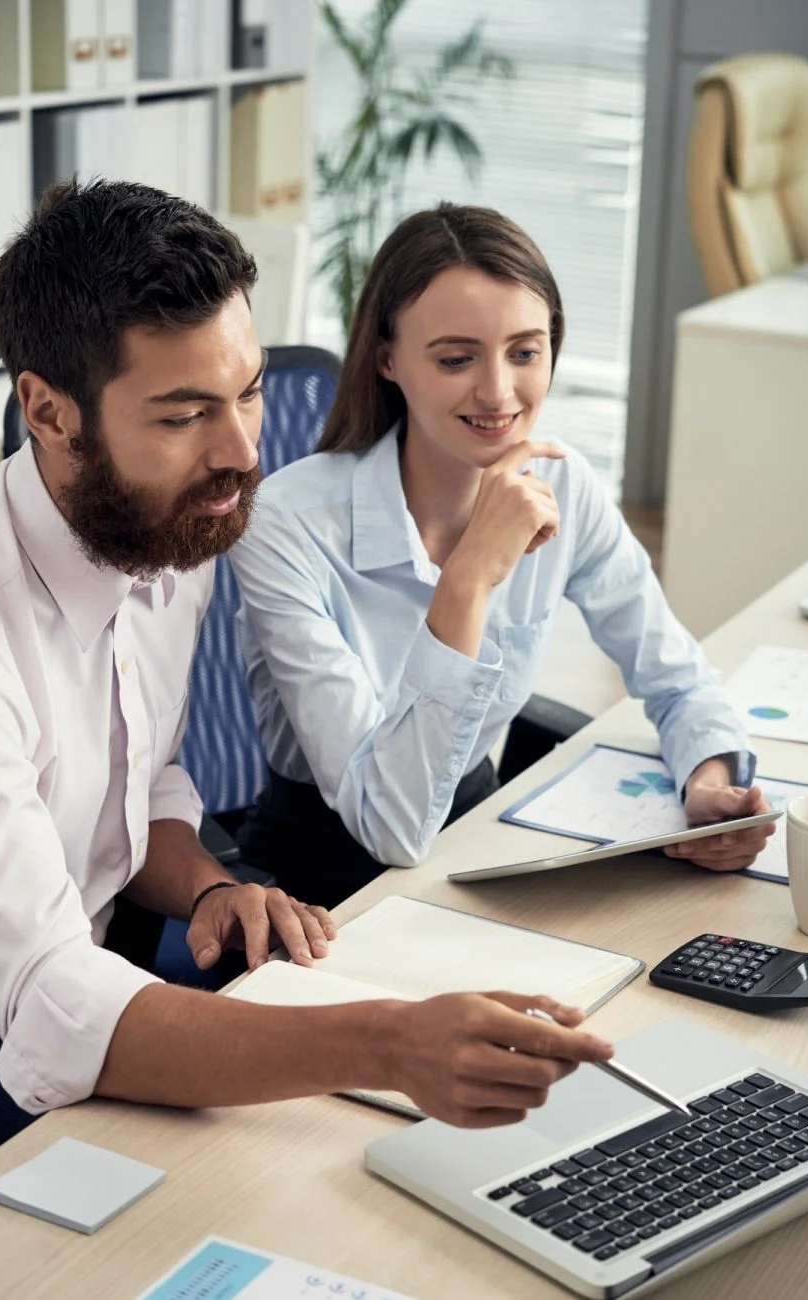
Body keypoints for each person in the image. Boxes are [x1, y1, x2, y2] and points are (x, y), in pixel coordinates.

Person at [0, 181, 613, 1199]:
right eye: (185, 412)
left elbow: (135, 784)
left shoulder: (166, 525)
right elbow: (49, 998)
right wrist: (387, 1044)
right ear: (47, 412)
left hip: (113, 982)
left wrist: (208, 884)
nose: (244, 451)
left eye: (244, 392)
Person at [230, 203, 774, 908]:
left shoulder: (562, 485)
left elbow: (678, 680)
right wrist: (471, 575)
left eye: (525, 352)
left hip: (483, 845)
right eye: (456, 359)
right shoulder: (285, 524)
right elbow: (389, 825)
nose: (498, 392)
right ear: (387, 357)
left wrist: (708, 784)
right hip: (325, 886)